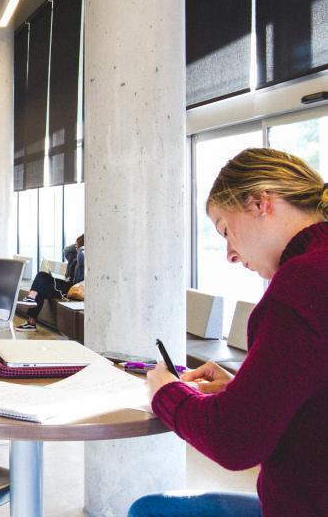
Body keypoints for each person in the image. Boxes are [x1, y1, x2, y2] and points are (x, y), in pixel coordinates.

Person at [132, 148, 328, 517]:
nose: (230, 255)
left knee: (150, 511)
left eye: (226, 231)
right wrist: (247, 389)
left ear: (259, 203)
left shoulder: (301, 284)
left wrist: (166, 392)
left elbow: (234, 440)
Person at [17, 234, 84, 331]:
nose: (75, 247)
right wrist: (77, 245)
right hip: (68, 285)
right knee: (41, 277)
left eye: (76, 245)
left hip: (74, 289)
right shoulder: (74, 257)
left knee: (41, 284)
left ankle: (31, 321)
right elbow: (66, 250)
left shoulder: (83, 256)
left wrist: (81, 247)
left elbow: (81, 256)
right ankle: (31, 303)